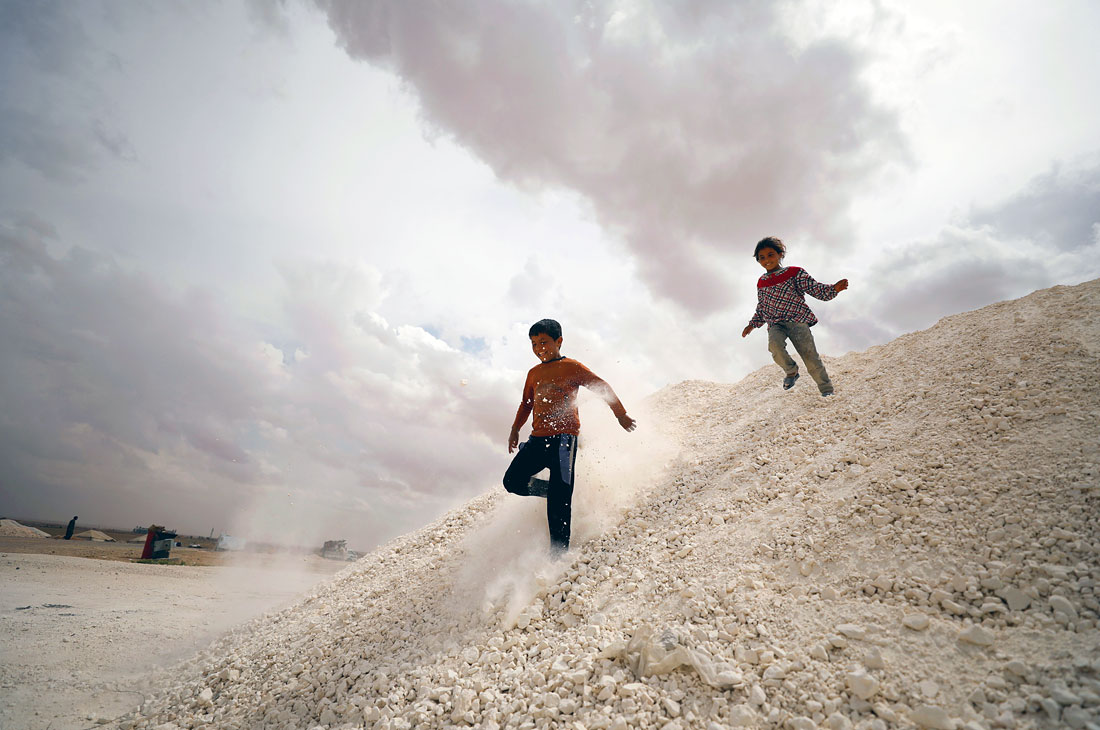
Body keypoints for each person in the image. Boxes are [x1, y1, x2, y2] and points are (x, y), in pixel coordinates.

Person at [504, 319, 636, 552]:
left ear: (559, 341)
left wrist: (620, 414)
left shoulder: (571, 367)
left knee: (559, 506)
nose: (539, 348)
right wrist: (515, 429)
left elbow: (600, 386)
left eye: (543, 342)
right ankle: (551, 490)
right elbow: (526, 403)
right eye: (533, 344)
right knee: (512, 481)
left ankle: (558, 558)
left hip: (564, 441)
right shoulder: (533, 373)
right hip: (537, 439)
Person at [741, 237, 848, 396]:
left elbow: (814, 288)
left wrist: (834, 289)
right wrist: (752, 324)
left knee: (810, 357)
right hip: (775, 323)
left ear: (780, 254)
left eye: (770, 255)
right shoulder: (762, 282)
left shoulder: (794, 273)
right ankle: (791, 372)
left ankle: (826, 391)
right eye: (762, 258)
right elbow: (762, 306)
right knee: (774, 346)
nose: (766, 260)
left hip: (797, 321)